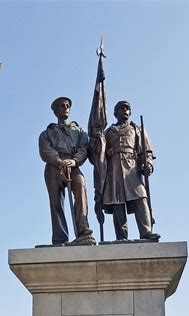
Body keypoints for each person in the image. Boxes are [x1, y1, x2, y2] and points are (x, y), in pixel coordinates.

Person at [100, 100, 160, 241]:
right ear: (115, 113)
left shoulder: (137, 129)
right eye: (121, 108)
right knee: (117, 203)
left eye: (127, 108)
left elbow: (146, 151)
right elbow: (98, 153)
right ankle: (121, 237)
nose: (125, 111)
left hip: (132, 168)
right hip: (113, 170)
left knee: (141, 197)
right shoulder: (107, 132)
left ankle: (146, 231)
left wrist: (148, 163)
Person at [39, 97, 95, 245]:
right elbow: (45, 151)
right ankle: (60, 238)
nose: (65, 108)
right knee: (56, 202)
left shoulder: (79, 131)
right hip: (54, 167)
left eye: (67, 105)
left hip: (73, 165)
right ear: (55, 111)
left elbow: (84, 148)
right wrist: (59, 161)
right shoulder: (47, 133)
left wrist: (74, 161)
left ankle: (82, 229)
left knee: (80, 185)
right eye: (61, 106)